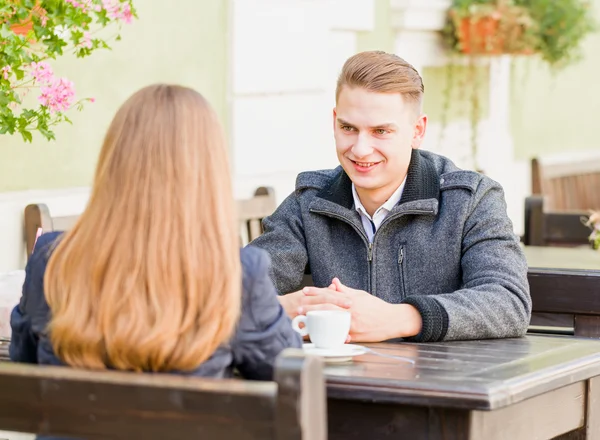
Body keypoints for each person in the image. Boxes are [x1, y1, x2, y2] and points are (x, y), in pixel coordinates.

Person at [10, 85, 301, 383]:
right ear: (210, 172)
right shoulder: (236, 275)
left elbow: (23, 360)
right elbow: (290, 373)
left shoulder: (51, 260)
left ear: (112, 163)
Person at [250, 51, 531, 343]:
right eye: (348, 128)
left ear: (417, 131)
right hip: (337, 382)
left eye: (380, 131)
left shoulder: (472, 200)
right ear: (335, 121)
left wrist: (401, 318)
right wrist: (284, 307)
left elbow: (508, 302)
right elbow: (234, 292)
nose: (360, 149)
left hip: (442, 383)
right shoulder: (307, 202)